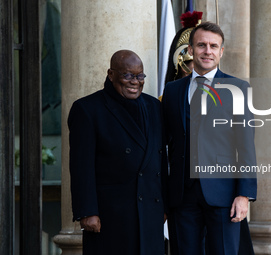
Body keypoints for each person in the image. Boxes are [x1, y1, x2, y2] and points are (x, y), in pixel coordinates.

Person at [162, 22, 257, 255]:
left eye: (214, 46)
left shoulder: (238, 89)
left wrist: (244, 195)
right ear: (191, 50)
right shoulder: (173, 91)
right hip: (181, 195)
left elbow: (246, 146)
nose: (208, 51)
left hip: (223, 194)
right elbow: (163, 145)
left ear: (221, 51)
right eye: (202, 45)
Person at [68, 50, 167, 255]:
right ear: (110, 74)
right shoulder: (87, 109)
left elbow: (160, 158)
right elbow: (81, 166)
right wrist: (87, 212)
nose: (135, 82)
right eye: (127, 75)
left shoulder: (154, 106)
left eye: (140, 76)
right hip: (111, 215)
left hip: (150, 211)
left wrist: (164, 205)